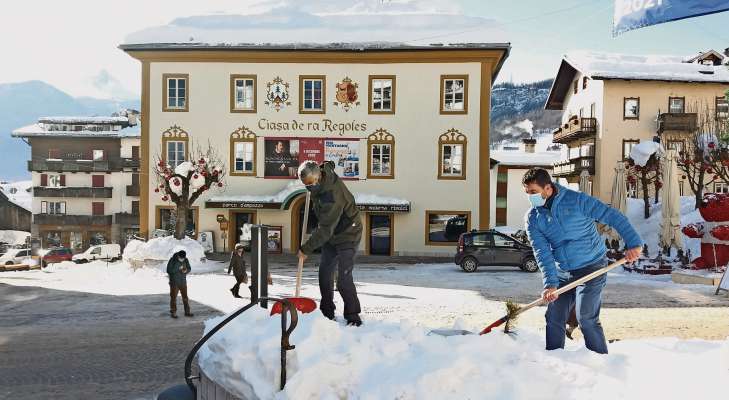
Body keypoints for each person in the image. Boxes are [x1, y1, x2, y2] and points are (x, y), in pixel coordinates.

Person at [522, 168, 642, 354]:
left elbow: (612, 216)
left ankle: (600, 361)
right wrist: (550, 284)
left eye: (533, 192)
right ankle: (555, 361)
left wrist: (634, 243)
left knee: (586, 317)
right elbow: (541, 251)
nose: (530, 197)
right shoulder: (533, 218)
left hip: (592, 266)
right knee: (554, 317)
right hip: (563, 271)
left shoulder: (577, 200)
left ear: (547, 188)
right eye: (527, 193)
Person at [296, 160, 363, 326]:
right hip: (332, 234)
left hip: (349, 233)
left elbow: (326, 229)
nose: (309, 187)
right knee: (325, 274)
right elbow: (328, 165)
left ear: (318, 178)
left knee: (343, 280)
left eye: (311, 184)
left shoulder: (331, 195)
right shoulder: (322, 177)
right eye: (306, 184)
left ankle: (353, 316)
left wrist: (306, 249)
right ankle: (327, 313)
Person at [166, 250, 193, 318]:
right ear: (178, 256)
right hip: (174, 282)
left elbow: (189, 268)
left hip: (183, 282)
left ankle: (187, 312)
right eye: (181, 258)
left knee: (185, 298)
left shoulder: (185, 260)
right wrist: (178, 268)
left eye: (183, 258)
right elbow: (169, 270)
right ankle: (173, 312)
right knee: (173, 298)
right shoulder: (173, 260)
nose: (182, 259)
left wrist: (186, 270)